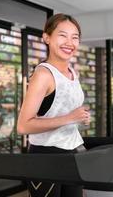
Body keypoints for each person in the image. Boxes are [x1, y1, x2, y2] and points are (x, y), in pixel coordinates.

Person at [17, 13, 90, 197]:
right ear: (47, 37)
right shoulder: (43, 75)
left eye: (75, 37)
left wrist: (78, 117)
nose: (69, 42)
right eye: (62, 35)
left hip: (71, 154)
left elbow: (63, 109)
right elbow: (23, 125)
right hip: (45, 157)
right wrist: (69, 118)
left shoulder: (72, 72)